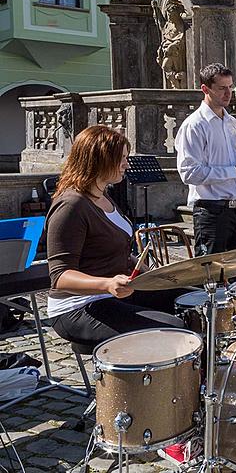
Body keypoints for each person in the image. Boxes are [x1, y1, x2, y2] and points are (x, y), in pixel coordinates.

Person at [47, 125, 187, 348]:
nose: (127, 165)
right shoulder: (71, 206)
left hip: (112, 295)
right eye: (121, 158)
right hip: (77, 307)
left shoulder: (104, 196)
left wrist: (150, 274)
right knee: (173, 328)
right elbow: (60, 276)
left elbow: (115, 250)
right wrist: (107, 284)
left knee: (191, 301)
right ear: (100, 158)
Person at [175, 63, 236, 256]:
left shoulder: (233, 123)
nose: (229, 93)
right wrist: (235, 171)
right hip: (212, 212)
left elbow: (232, 161)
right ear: (205, 89)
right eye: (222, 88)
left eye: (230, 87)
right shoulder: (194, 125)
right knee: (213, 275)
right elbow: (189, 173)